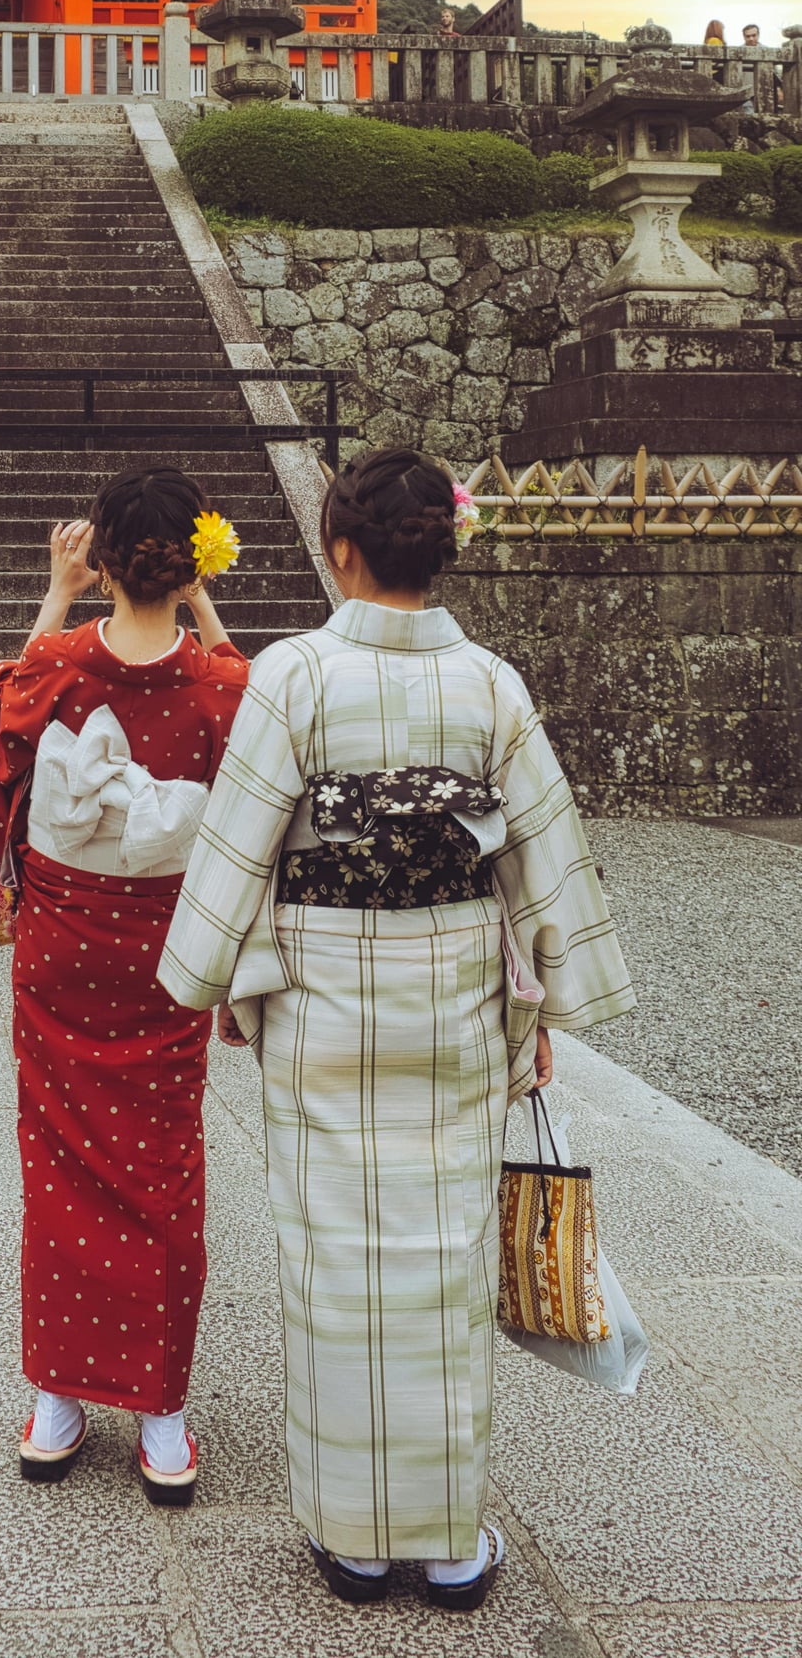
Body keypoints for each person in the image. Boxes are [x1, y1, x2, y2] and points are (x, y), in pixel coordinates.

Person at [159, 448, 635, 1614]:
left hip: (323, 996)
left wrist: (210, 975)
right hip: (458, 994)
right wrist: (546, 998)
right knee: (445, 1261)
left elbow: (241, 843)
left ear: (342, 554)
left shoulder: (294, 676)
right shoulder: (491, 686)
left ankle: (357, 1544)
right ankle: (454, 1542)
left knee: (335, 1259)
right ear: (441, 552)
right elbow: (541, 857)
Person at [0, 466, 249, 1504]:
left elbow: (0, 729)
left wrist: (57, 593)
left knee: (60, 1165)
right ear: (193, 560)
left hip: (65, 946)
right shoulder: (222, 687)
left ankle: (58, 1404)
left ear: (103, 560)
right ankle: (162, 1416)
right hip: (169, 953)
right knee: (164, 1168)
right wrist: (207, 604)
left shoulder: (61, 667)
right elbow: (252, 746)